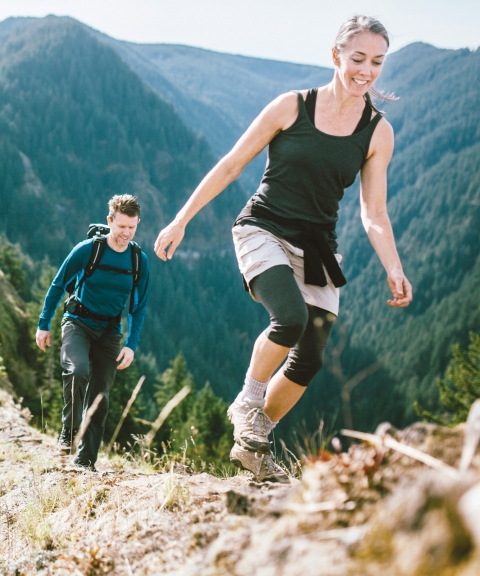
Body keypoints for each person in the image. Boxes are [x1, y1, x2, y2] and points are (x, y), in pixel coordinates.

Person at [154, 16, 413, 483]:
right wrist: (181, 219)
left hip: (317, 247)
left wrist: (393, 267)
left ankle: (254, 441)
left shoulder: (377, 132)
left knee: (310, 354)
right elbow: (233, 164)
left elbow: (374, 212)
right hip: (263, 228)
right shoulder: (291, 107)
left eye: (377, 62)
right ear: (336, 56)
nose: (367, 71)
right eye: (358, 59)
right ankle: (249, 401)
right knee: (289, 319)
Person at [36, 194, 150, 471]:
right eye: (121, 226)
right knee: (77, 371)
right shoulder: (88, 250)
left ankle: (85, 461)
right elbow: (57, 284)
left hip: (110, 333)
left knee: (100, 397)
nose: (126, 233)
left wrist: (131, 344)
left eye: (132, 227)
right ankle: (69, 432)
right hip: (77, 322)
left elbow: (139, 307)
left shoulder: (138, 261)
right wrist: (43, 324)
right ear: (110, 221)